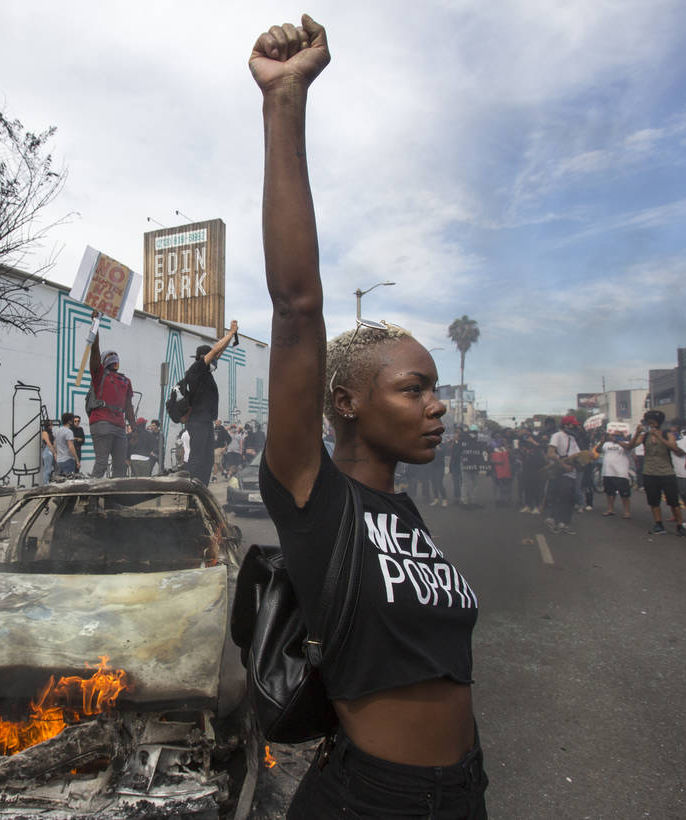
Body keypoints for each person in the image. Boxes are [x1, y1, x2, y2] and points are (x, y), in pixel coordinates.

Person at [250, 17, 486, 818]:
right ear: (346, 403)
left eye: (431, 388)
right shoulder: (315, 497)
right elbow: (296, 304)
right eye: (413, 388)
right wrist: (286, 104)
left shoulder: (404, 510)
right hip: (374, 803)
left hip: (463, 791)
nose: (437, 404)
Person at [183, 320, 240, 484]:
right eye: (211, 359)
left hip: (206, 422)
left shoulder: (206, 373)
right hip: (198, 421)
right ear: (204, 358)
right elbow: (215, 350)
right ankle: (193, 493)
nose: (216, 361)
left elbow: (218, 352)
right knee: (198, 458)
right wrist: (230, 333)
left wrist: (230, 337)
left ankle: (202, 489)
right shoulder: (196, 370)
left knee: (207, 460)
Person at [87, 323, 137, 479]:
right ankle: (89, 499)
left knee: (120, 466)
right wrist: (95, 325)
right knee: (102, 463)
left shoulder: (125, 380)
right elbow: (94, 350)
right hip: (102, 422)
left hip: (119, 425)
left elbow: (128, 407)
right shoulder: (99, 374)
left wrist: (134, 429)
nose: (114, 359)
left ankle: (114, 501)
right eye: (110, 356)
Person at [632, 410, 686, 537]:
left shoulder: (667, 434)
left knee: (673, 501)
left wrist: (659, 437)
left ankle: (680, 525)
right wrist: (637, 433)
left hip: (666, 472)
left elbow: (674, 448)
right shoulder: (645, 435)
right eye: (648, 422)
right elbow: (630, 445)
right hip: (649, 472)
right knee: (654, 501)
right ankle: (658, 524)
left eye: (651, 421)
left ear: (658, 422)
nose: (650, 424)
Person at [545, 416, 582, 535]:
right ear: (565, 425)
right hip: (561, 473)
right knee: (562, 498)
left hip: (572, 473)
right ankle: (555, 521)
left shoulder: (572, 438)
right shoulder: (557, 436)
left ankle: (563, 523)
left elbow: (577, 455)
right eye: (572, 425)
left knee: (569, 500)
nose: (575, 427)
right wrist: (563, 465)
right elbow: (550, 453)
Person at [597, 430, 634, 518]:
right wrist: (602, 441)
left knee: (624, 494)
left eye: (617, 435)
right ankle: (610, 509)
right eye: (613, 435)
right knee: (609, 493)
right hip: (608, 471)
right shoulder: (606, 444)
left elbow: (628, 447)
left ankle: (627, 512)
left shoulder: (626, 443)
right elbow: (598, 450)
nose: (614, 437)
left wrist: (617, 441)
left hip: (620, 473)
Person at [53, 412, 79, 477]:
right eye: (72, 420)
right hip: (68, 460)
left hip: (59, 461)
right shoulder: (69, 432)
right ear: (69, 421)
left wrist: (56, 455)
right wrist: (77, 460)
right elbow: (71, 447)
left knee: (60, 483)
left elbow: (54, 445)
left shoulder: (57, 431)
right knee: (69, 483)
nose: (73, 421)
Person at [39, 419, 55, 485]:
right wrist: (54, 452)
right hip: (48, 450)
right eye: (50, 424)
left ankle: (48, 483)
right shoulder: (45, 432)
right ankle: (46, 484)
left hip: (50, 450)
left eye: (52, 424)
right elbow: (48, 443)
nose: (52, 425)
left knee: (50, 469)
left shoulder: (51, 432)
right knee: (47, 470)